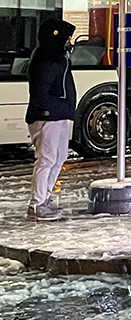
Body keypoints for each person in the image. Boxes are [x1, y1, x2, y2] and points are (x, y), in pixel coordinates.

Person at [25, 19, 77, 221]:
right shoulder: (47, 60)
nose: (70, 42)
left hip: (57, 115)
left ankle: (44, 198)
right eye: (67, 37)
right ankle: (37, 203)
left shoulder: (56, 58)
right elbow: (41, 93)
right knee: (47, 159)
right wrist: (58, 108)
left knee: (59, 157)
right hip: (47, 117)